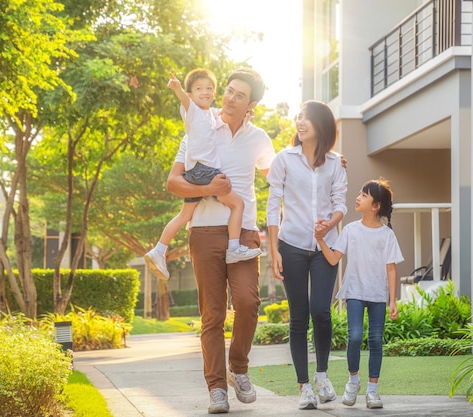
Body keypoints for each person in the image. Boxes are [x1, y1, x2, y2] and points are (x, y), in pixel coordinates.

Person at [166, 68, 275, 414]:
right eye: (228, 91)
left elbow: (280, 175)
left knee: (247, 303)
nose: (229, 98)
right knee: (212, 315)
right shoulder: (199, 125)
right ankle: (216, 388)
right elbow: (173, 182)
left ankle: (238, 368)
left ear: (251, 105)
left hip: (242, 233)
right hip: (203, 231)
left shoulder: (259, 138)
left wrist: (326, 161)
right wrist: (207, 190)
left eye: (239, 95)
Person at [266, 100, 348, 410]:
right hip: (291, 246)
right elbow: (273, 206)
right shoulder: (283, 160)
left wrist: (331, 223)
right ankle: (304, 387)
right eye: (298, 118)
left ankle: (322, 376)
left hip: (325, 247)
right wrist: (273, 249)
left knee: (321, 311)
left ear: (322, 126)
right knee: (299, 316)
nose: (300, 123)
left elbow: (341, 202)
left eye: (307, 119)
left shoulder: (336, 163)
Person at [144, 69, 261, 281]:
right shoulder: (193, 110)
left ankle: (158, 251)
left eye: (209, 89)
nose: (205, 93)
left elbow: (223, 113)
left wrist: (246, 114)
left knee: (184, 216)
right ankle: (234, 248)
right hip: (205, 170)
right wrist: (178, 88)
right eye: (199, 89)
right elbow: (186, 100)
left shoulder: (210, 114)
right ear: (190, 95)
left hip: (195, 171)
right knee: (238, 204)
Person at [315, 177, 404, 409]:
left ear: (375, 206)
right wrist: (321, 241)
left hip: (377, 296)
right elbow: (334, 258)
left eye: (364, 195)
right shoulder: (350, 230)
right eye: (359, 193)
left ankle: (372, 391)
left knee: (376, 340)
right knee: (354, 336)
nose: (358, 197)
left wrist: (392, 300)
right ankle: (353, 382)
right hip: (354, 291)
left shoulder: (387, 235)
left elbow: (391, 268)